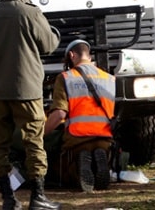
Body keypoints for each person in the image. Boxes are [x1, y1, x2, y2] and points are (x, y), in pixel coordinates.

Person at [0, 0, 61, 210]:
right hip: (27, 91)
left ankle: (8, 199)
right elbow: (49, 46)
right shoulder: (30, 12)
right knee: (33, 142)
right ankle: (38, 197)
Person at [44, 39, 115, 193]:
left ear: (71, 55)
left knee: (69, 171)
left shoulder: (65, 77)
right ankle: (101, 159)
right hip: (104, 139)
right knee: (100, 153)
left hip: (77, 140)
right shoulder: (109, 79)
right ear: (89, 57)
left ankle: (81, 163)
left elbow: (59, 114)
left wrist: (40, 134)